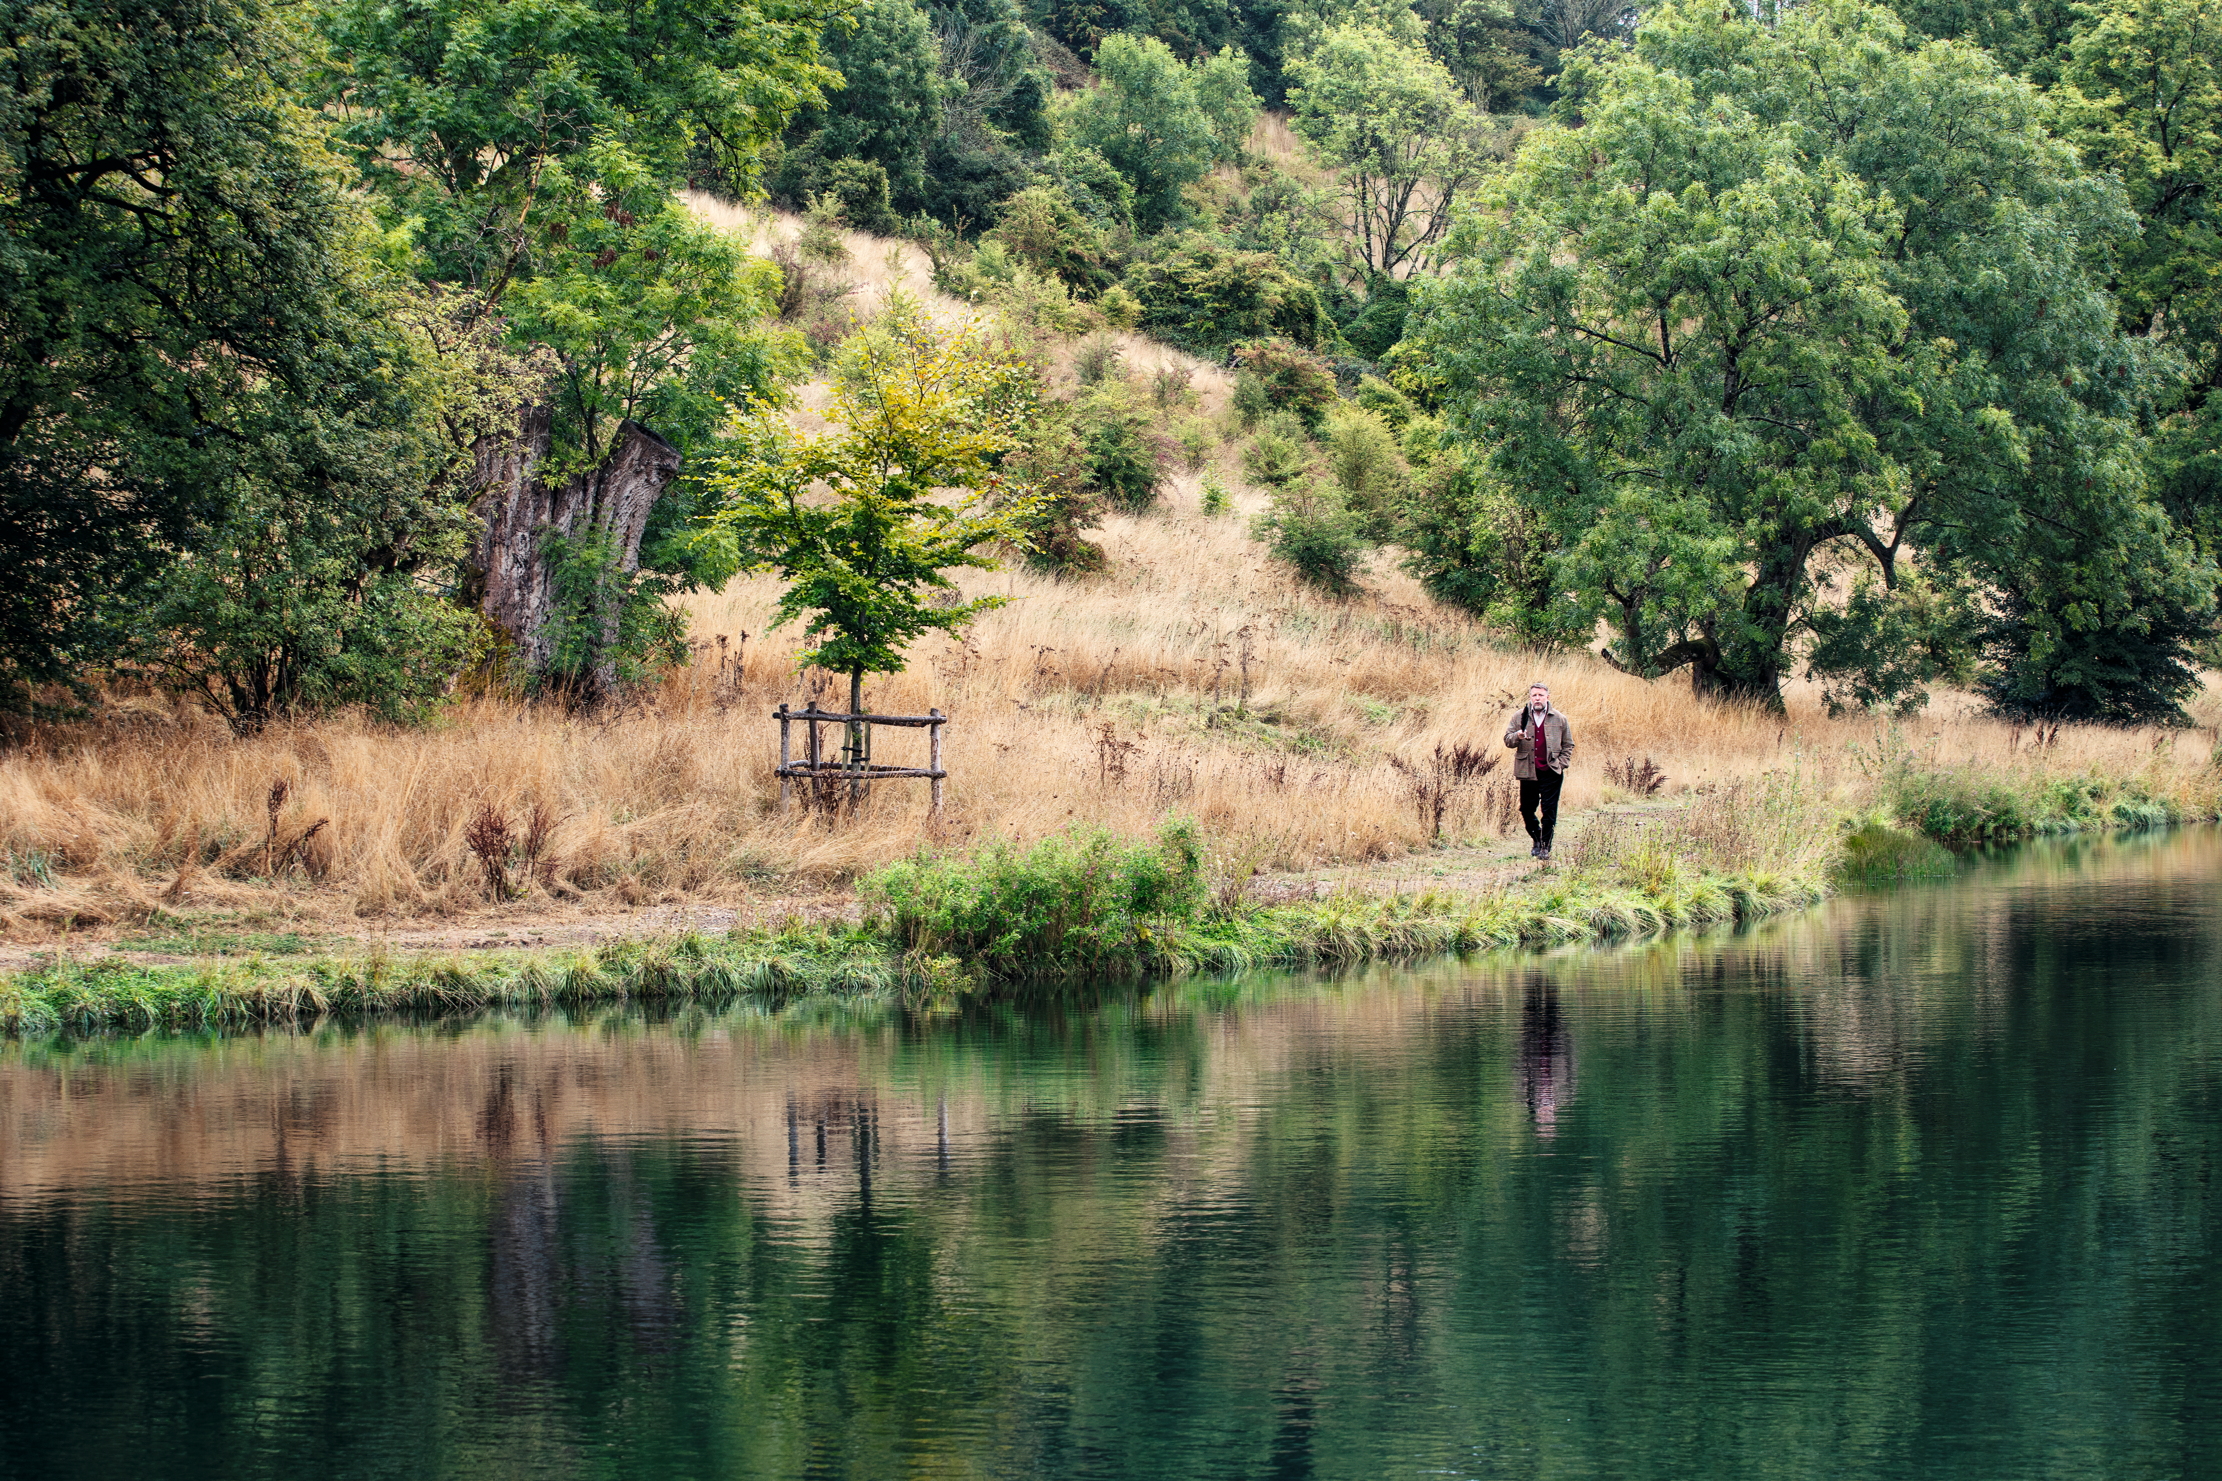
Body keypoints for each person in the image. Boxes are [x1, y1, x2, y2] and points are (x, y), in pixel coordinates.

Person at [1503, 681, 1573, 860]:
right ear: (1530, 697)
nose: (1537, 698)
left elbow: (1568, 744)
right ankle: (1537, 838)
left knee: (1549, 811)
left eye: (1541, 695)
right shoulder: (1520, 716)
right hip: (1528, 771)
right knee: (1526, 809)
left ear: (1547, 697)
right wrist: (1517, 736)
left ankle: (1545, 847)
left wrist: (1561, 764)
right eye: (1534, 695)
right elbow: (1508, 740)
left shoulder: (1559, 718)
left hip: (1551, 771)